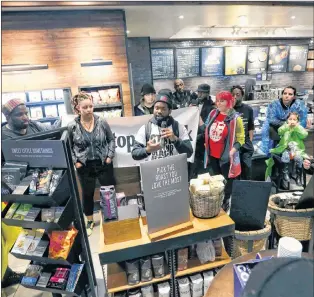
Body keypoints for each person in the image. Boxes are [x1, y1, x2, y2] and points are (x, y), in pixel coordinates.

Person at [68, 92, 115, 236]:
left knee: (109, 191)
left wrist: (109, 156)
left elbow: (111, 139)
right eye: (85, 107)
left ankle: (112, 217)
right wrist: (76, 161)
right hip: (84, 165)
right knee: (87, 194)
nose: (89, 109)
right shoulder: (72, 126)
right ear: (78, 109)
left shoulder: (101, 122)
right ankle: (89, 221)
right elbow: (69, 146)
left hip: (103, 163)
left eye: (91, 106)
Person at [202, 91, 245, 211]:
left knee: (227, 180)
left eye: (222, 101)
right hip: (212, 154)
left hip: (226, 156)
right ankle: (218, 200)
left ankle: (225, 201)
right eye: (218, 100)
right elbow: (205, 127)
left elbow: (241, 138)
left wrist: (232, 151)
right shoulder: (213, 113)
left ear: (229, 102)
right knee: (217, 179)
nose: (219, 103)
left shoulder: (236, 119)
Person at [131, 92, 193, 161]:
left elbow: (189, 152)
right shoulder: (145, 128)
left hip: (173, 170)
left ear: (170, 111)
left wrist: (176, 140)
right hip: (154, 170)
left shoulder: (179, 127)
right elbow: (134, 154)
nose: (159, 111)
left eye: (163, 109)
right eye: (156, 108)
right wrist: (147, 150)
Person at [265, 112, 308, 188]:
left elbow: (304, 135)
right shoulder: (285, 127)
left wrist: (297, 128)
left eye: (294, 119)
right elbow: (280, 131)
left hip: (296, 150)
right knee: (285, 156)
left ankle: (298, 177)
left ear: (297, 121)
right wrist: (287, 126)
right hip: (285, 148)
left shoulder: (299, 128)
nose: (292, 121)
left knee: (299, 158)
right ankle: (285, 173)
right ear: (287, 120)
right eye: (290, 119)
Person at [261, 86, 307, 155]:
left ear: (294, 96)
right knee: (277, 155)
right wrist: (288, 124)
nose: (287, 96)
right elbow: (272, 119)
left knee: (293, 154)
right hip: (277, 132)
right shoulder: (274, 104)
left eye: (290, 94)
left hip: (294, 135)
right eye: (285, 93)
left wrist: (297, 126)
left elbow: (303, 119)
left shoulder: (298, 105)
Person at [190, 84, 215, 178]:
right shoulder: (196, 103)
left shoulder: (212, 108)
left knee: (204, 171)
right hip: (195, 141)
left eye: (201, 92)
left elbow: (207, 129)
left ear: (207, 93)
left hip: (203, 143)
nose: (199, 94)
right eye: (198, 92)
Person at [231, 85, 255, 180]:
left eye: (238, 94)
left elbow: (251, 126)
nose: (235, 97)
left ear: (242, 95)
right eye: (233, 95)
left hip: (246, 144)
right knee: (235, 170)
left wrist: (251, 140)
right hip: (234, 145)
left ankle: (247, 186)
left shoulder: (248, 109)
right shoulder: (228, 110)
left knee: (247, 167)